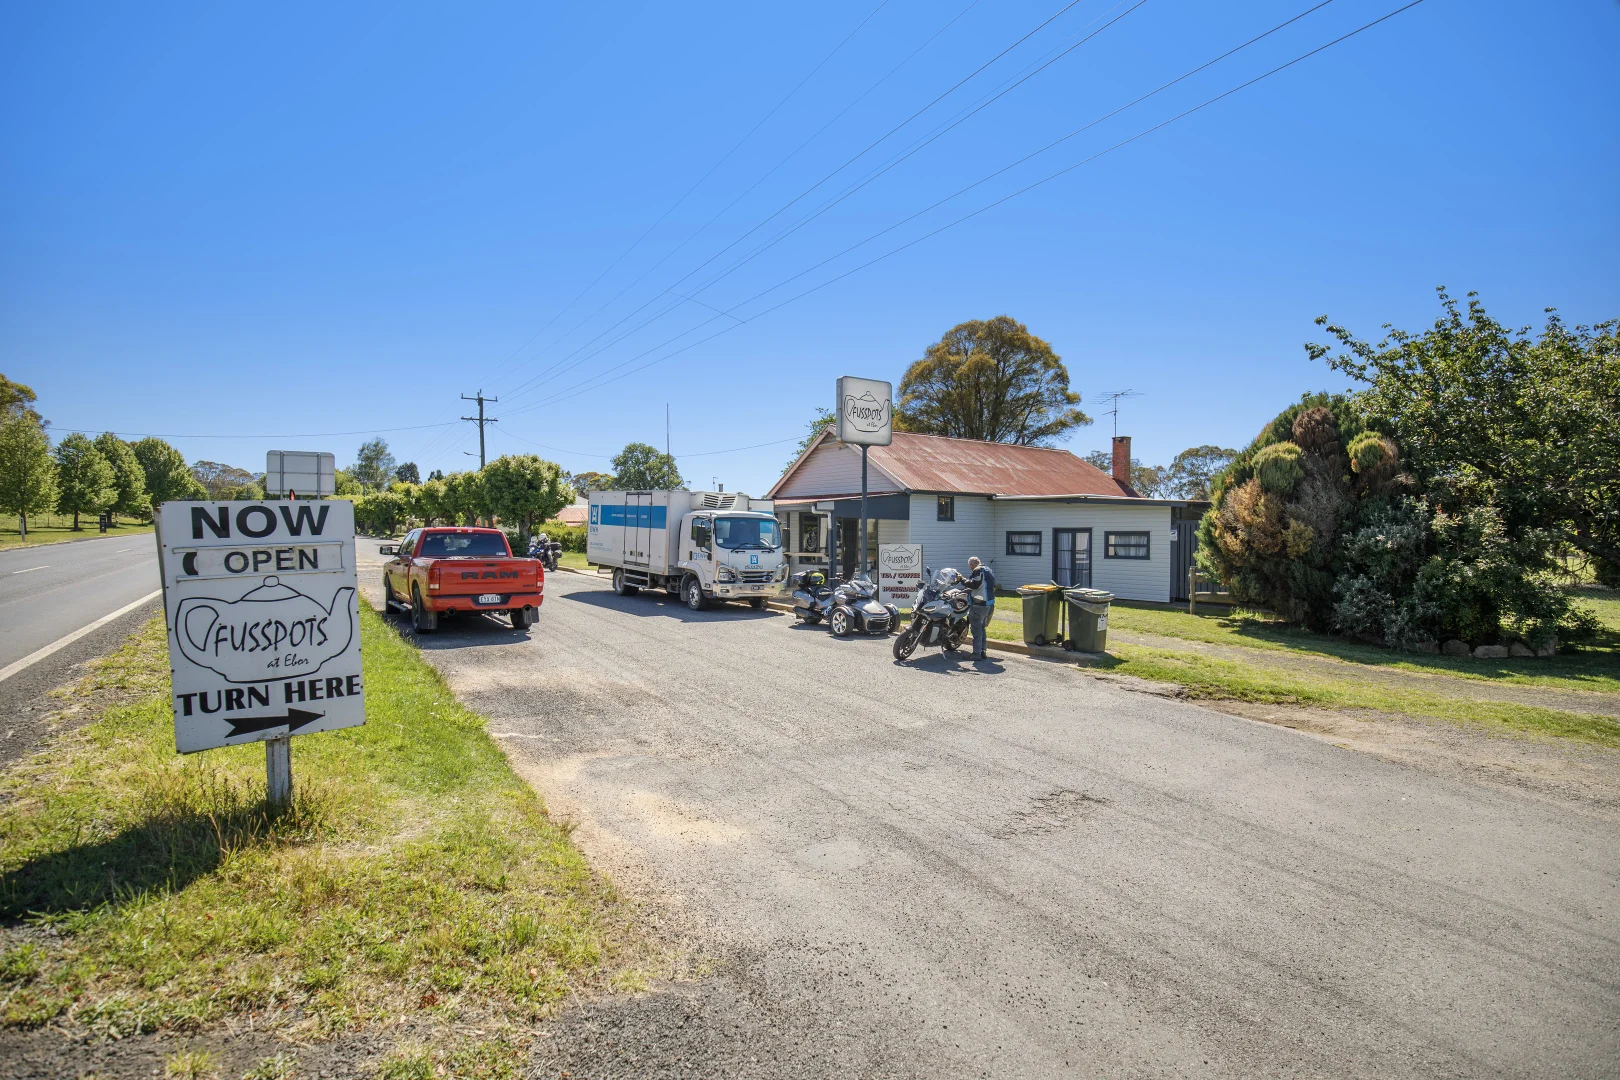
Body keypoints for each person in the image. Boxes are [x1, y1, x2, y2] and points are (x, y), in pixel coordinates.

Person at [963, 556, 997, 660]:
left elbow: (974, 585)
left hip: (979, 604)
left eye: (970, 566)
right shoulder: (988, 570)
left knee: (976, 630)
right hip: (989, 603)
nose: (970, 567)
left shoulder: (977, 570)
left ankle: (976, 654)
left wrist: (962, 580)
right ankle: (983, 651)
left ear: (972, 565)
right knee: (982, 628)